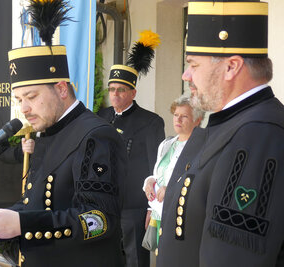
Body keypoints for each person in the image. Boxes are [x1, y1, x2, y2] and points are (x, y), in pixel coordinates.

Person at [0, 1, 128, 266]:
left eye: (31, 96)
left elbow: (99, 221)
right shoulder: (47, 131)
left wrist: (21, 223)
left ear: (62, 88)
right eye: (19, 99)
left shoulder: (96, 136)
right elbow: (35, 204)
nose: (24, 108)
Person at [156, 1, 284, 266]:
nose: (185, 74)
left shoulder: (258, 134)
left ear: (231, 67)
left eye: (193, 64)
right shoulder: (231, 124)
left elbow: (234, 256)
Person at [98, 30, 165, 267]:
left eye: (121, 90)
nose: (115, 94)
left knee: (135, 260)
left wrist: (152, 208)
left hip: (134, 207)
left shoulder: (151, 122)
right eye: (112, 89)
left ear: (133, 92)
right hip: (104, 205)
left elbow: (155, 168)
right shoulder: (101, 116)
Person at [141, 95, 203, 261]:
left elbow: (199, 182)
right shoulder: (167, 143)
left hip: (181, 218)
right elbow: (158, 174)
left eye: (184, 116)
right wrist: (149, 182)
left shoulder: (202, 147)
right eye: (176, 115)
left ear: (198, 120)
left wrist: (172, 190)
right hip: (160, 213)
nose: (178, 119)